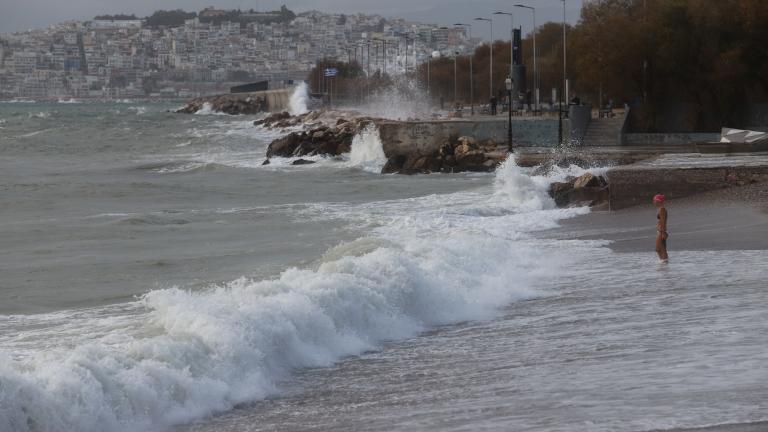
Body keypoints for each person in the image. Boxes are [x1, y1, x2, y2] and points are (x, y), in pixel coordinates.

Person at [653, 194, 669, 263]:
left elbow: (663, 221)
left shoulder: (662, 209)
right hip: (660, 231)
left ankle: (664, 262)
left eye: (654, 200)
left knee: (659, 248)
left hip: (661, 231)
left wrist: (663, 232)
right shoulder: (661, 209)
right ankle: (664, 263)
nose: (653, 202)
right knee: (661, 248)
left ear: (658, 201)